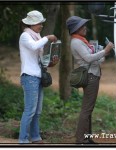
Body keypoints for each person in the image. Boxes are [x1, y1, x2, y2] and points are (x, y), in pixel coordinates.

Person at [66, 16, 114, 144]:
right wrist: (104, 51)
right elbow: (88, 58)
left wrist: (104, 53)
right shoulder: (76, 42)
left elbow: (94, 60)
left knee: (89, 109)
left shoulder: (82, 41)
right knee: (87, 109)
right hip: (90, 76)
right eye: (82, 26)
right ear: (76, 29)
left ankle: (87, 138)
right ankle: (81, 140)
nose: (85, 28)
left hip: (92, 74)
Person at [19, 10, 58, 143]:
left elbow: (38, 59)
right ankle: (23, 140)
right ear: (31, 24)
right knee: (30, 110)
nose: (41, 25)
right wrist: (47, 38)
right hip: (29, 76)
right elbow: (33, 47)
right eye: (39, 23)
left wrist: (50, 62)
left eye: (41, 23)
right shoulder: (25, 36)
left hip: (37, 76)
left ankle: (35, 137)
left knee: (37, 111)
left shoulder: (36, 36)